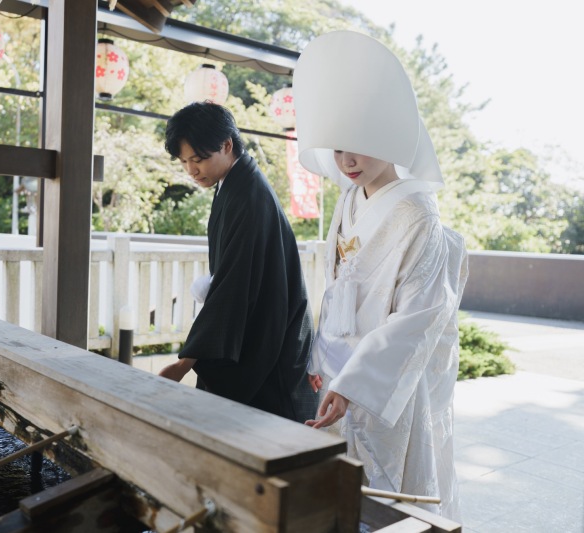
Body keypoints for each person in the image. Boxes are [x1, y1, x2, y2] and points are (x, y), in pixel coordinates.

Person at [292, 30, 469, 522]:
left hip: (381, 380)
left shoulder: (417, 214)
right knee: (338, 490)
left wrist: (355, 382)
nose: (346, 162)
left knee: (387, 498)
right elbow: (336, 286)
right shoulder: (350, 197)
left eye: (359, 147)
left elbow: (419, 317)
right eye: (337, 149)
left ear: (390, 137)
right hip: (339, 371)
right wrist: (321, 355)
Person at [158, 101, 319, 423]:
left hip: (272, 339)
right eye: (184, 161)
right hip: (260, 327)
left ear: (227, 145)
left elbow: (233, 289)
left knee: (266, 435)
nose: (191, 170)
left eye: (198, 159)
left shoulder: (249, 196)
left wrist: (185, 363)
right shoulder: (235, 184)